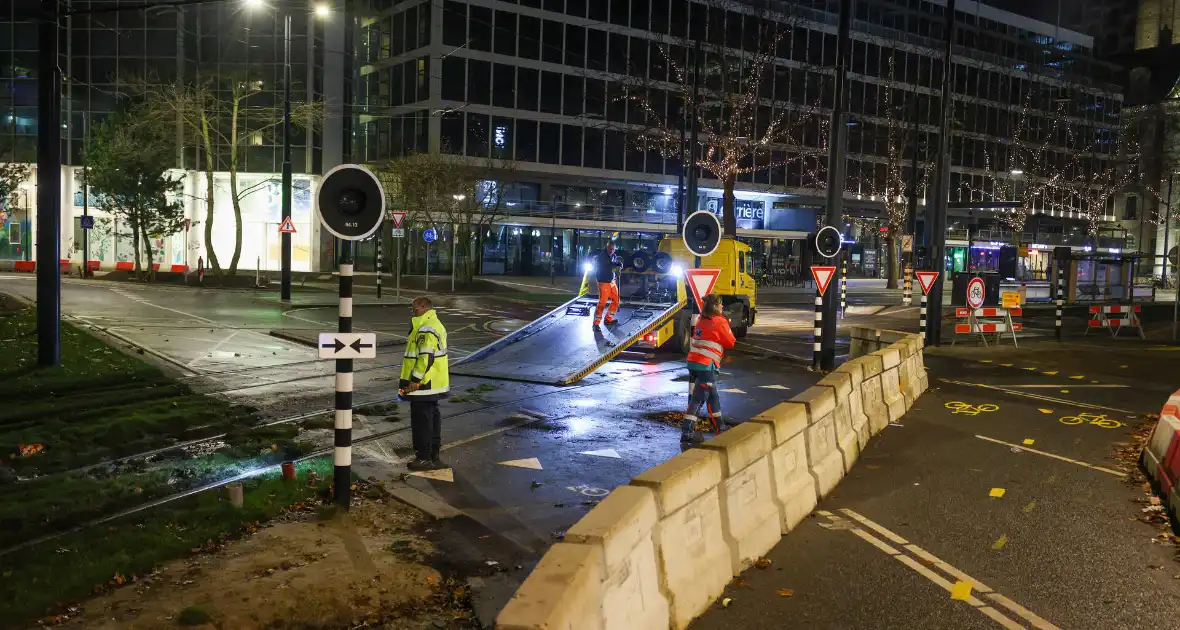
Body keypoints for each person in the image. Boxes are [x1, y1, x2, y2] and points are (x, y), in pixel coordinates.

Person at [399, 297, 450, 471]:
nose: (413, 311)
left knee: (422, 421)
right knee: (432, 418)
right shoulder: (434, 324)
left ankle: (423, 458)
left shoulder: (426, 328)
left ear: (423, 307)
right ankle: (433, 456)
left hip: (423, 384)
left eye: (414, 309)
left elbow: (425, 357)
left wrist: (415, 380)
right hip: (434, 382)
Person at [682, 293, 736, 444]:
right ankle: (687, 432)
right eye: (720, 304)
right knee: (698, 399)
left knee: (713, 397)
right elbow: (731, 342)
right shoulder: (719, 321)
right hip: (707, 366)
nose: (722, 306)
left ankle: (720, 427)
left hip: (694, 363)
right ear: (715, 307)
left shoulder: (701, 319)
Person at [593, 241, 623, 328]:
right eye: (610, 249)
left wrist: (620, 265)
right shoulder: (601, 257)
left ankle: (608, 319)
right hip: (603, 282)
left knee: (616, 300)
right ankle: (596, 324)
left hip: (612, 281)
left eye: (613, 249)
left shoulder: (613, 255)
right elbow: (608, 264)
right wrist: (616, 265)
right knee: (602, 303)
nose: (612, 251)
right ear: (606, 247)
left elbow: (615, 262)